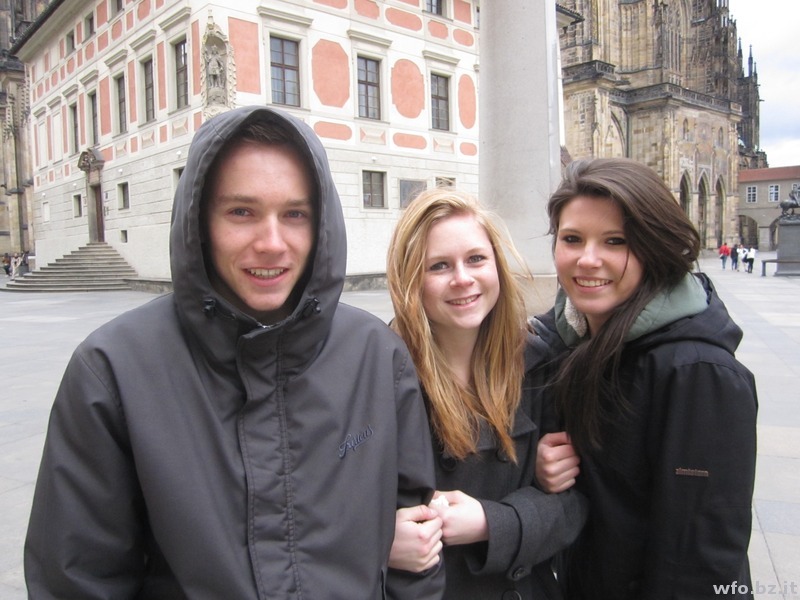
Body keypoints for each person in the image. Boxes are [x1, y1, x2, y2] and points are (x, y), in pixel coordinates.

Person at [24, 106, 444, 599]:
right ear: (200, 222)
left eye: (295, 214)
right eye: (242, 212)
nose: (272, 243)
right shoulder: (113, 372)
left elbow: (416, 545)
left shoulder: (377, 357)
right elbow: (79, 580)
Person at [533, 158, 758, 599]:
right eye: (572, 239)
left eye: (615, 241)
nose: (588, 259)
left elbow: (702, 556)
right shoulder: (569, 343)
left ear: (654, 247)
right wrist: (540, 468)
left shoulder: (697, 373)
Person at [386, 188, 587, 599]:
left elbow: (576, 507)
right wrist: (379, 542)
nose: (463, 279)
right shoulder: (381, 378)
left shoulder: (538, 364)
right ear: (411, 280)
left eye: (476, 259)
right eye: (439, 265)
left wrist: (489, 523)